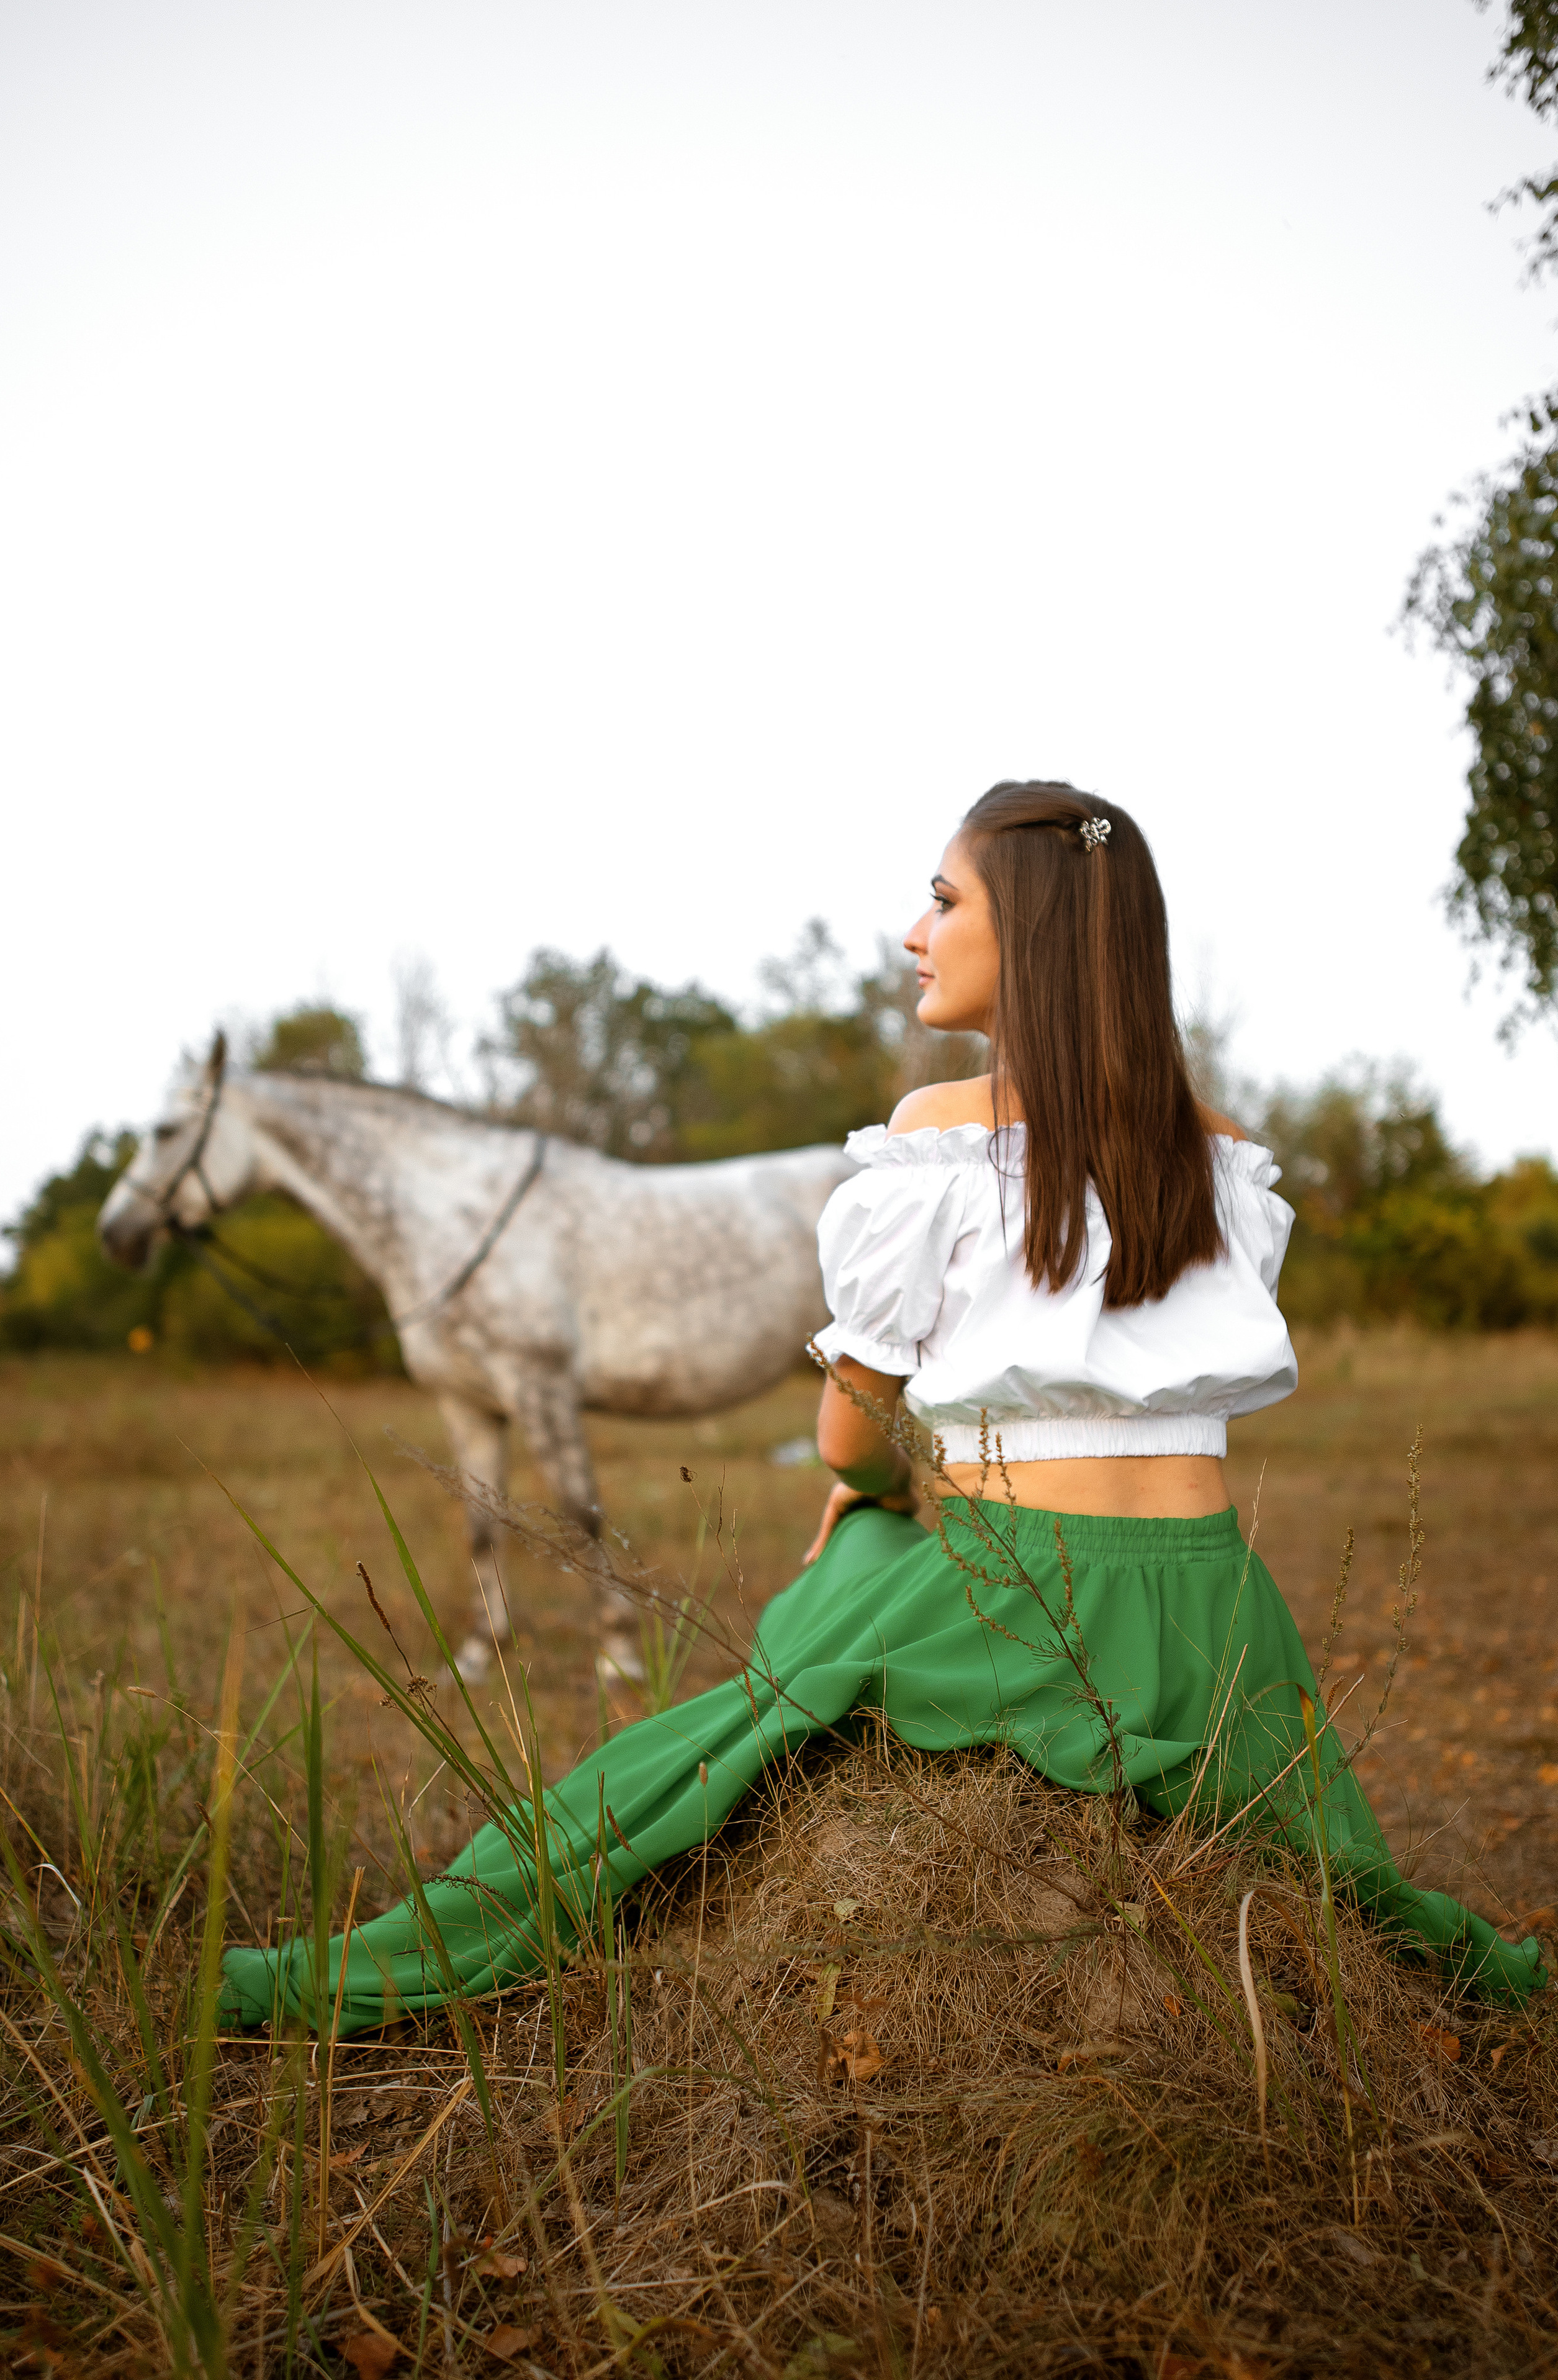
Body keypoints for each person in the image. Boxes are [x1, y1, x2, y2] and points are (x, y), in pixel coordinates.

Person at [220, 782, 1544, 2034]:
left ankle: (375, 1965)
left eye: (942, 901)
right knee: (1356, 1894)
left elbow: (853, 1436)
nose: (912, 934)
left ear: (1023, 932)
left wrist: (859, 1488)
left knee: (667, 1774)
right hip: (1218, 1609)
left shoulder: (942, 1135)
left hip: (1017, 1592)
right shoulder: (1221, 1157)